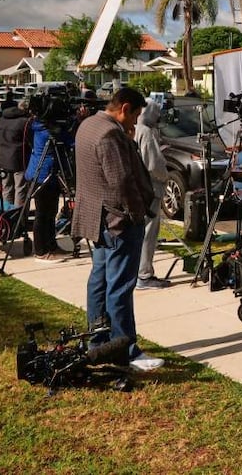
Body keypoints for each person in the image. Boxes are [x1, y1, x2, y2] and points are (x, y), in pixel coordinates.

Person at [72, 87, 162, 372]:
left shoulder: (88, 124)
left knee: (99, 281)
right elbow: (121, 180)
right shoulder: (110, 134)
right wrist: (137, 215)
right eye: (134, 116)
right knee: (120, 287)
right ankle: (127, 351)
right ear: (124, 108)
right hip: (117, 222)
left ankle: (98, 344)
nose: (135, 123)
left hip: (96, 220)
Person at [25, 108, 75, 262]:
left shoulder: (38, 125)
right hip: (42, 175)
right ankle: (41, 250)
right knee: (42, 214)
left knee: (51, 213)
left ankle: (51, 245)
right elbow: (73, 141)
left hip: (47, 174)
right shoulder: (48, 131)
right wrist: (77, 122)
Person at [133, 100, 171, 290]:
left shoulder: (132, 128)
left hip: (137, 189)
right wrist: (165, 176)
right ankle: (144, 275)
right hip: (150, 190)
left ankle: (137, 272)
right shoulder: (145, 132)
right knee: (148, 233)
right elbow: (153, 164)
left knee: (138, 232)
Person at [0, 100, 30, 208]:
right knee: (21, 188)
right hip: (20, 159)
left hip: (4, 158)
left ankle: (7, 216)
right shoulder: (24, 122)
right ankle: (19, 217)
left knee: (7, 188)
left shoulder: (1, 121)